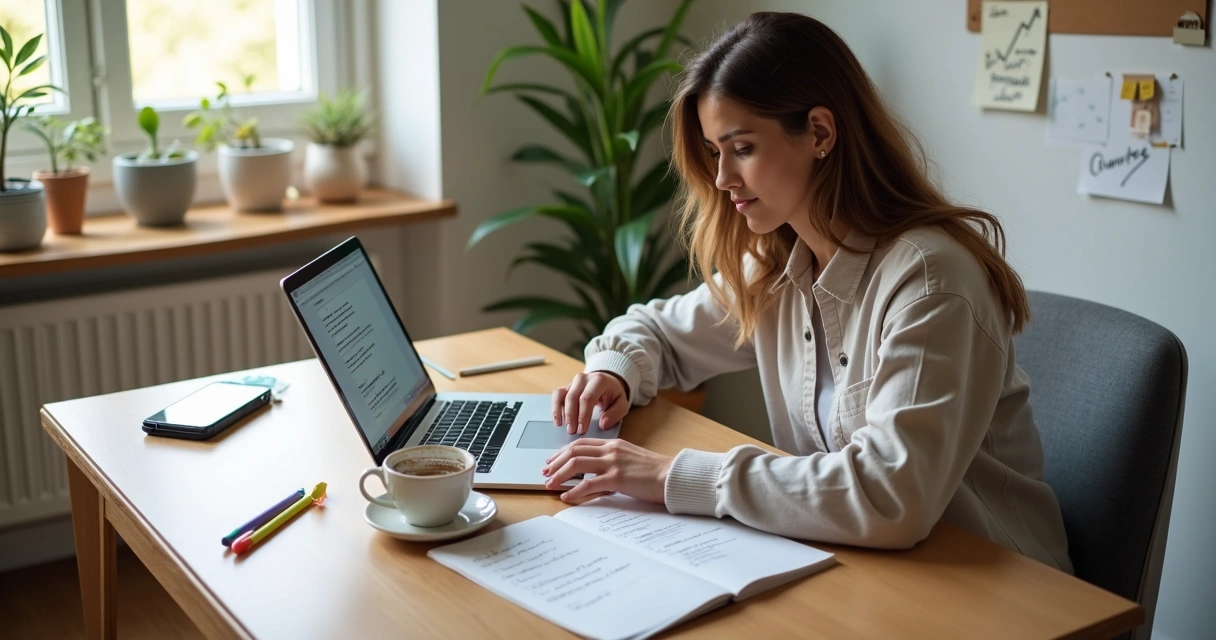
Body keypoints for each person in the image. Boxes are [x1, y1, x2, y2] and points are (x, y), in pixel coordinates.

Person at [541, 11, 1072, 572]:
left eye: (741, 148)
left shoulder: (929, 281)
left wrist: (672, 476)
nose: (722, 179)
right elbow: (657, 334)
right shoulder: (776, 262)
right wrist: (614, 371)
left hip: (998, 587)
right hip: (867, 566)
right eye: (714, 152)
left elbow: (892, 494)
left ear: (820, 132)